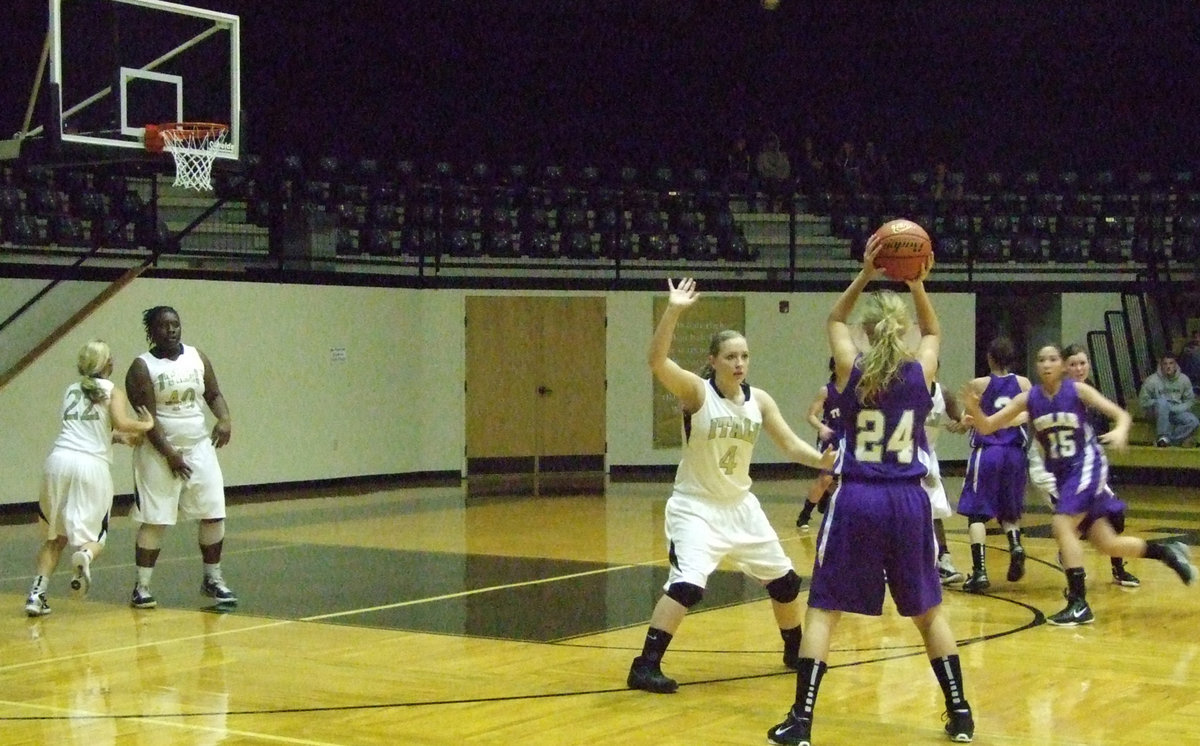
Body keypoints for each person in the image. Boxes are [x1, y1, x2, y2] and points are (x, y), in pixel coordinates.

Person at [767, 240, 975, 745]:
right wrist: (916, 280)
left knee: (824, 610)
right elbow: (934, 330)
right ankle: (961, 715)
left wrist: (864, 274)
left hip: (858, 497)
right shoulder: (919, 371)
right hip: (908, 500)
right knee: (929, 615)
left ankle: (802, 720)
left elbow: (834, 320)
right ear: (901, 331)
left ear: (867, 331)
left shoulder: (848, 367)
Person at [627, 278, 834, 695]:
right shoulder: (697, 393)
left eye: (744, 356)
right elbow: (655, 360)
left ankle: (793, 652)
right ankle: (644, 666)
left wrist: (823, 462)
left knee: (786, 582)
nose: (739, 363)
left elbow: (791, 443)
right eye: (731, 356)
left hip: (740, 506)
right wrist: (673, 310)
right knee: (686, 586)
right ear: (714, 361)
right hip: (696, 507)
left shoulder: (759, 400)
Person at [962, 343, 1196, 626]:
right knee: (1107, 544)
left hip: (1087, 464)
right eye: (1041, 359)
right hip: (1064, 475)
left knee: (1061, 524)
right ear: (1036, 366)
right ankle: (1168, 551)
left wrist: (1120, 430)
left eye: (1052, 359)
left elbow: (1121, 414)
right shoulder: (1029, 398)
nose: (1047, 364)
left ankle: (1078, 602)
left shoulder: (1077, 391)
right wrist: (974, 407)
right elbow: (987, 426)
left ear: (1062, 365)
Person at [24, 340, 154, 617]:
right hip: (90, 467)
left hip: (57, 462)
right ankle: (84, 555)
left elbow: (89, 429)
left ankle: (37, 594)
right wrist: (146, 424)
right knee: (96, 537)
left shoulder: (71, 390)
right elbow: (121, 421)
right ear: (106, 364)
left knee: (53, 538)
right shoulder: (111, 391)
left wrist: (116, 439)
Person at [126, 306, 236, 609]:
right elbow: (147, 418)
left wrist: (224, 419)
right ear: (152, 331)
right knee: (155, 518)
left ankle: (212, 578)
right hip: (158, 451)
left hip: (199, 447)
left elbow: (213, 394)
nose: (171, 330)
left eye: (175, 324)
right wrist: (170, 454)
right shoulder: (141, 367)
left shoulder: (196, 357)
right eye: (163, 326)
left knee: (214, 511)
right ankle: (142, 587)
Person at [1027, 344, 1140, 586]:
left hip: (1082, 465)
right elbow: (1022, 413)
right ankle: (1072, 560)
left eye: (1083, 363)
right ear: (1063, 368)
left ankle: (1111, 564)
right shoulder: (1051, 395)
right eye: (1073, 364)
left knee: (1111, 517)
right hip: (1051, 469)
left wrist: (1119, 430)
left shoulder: (1085, 392)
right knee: (1069, 522)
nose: (1079, 368)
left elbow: (1117, 416)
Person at [955, 337, 1031, 593]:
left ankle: (980, 572)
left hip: (987, 452)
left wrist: (964, 422)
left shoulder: (979, 384)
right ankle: (1016, 545)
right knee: (1009, 510)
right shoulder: (1023, 383)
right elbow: (1029, 413)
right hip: (1015, 453)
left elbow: (971, 418)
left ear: (989, 357)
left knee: (977, 513)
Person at [927, 369, 967, 585]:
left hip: (926, 456)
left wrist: (960, 425)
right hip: (900, 456)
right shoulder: (905, 389)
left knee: (935, 508)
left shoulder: (943, 393)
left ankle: (944, 560)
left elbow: (962, 424)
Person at [796, 358, 839, 531]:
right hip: (830, 438)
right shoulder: (826, 390)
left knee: (844, 480)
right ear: (835, 367)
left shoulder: (855, 391)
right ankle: (804, 515)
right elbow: (811, 415)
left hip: (847, 438)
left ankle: (825, 500)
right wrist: (822, 427)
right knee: (826, 477)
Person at [1137, 351, 1198, 447]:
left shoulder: (1184, 380)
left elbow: (1190, 401)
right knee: (1162, 402)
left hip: (1175, 411)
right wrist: (1158, 403)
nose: (1168, 366)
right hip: (1156, 412)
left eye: (1171, 363)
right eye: (1165, 364)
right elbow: (1143, 402)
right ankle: (1162, 435)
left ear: (1175, 365)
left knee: (1193, 421)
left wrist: (1176, 408)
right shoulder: (1151, 381)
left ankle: (1168, 440)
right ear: (1161, 366)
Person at [755, 131, 792, 212]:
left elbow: (787, 169)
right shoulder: (762, 157)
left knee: (790, 184)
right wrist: (773, 176)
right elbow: (761, 171)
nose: (772, 144)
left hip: (781, 181)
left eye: (773, 141)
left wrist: (781, 177)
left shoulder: (782, 156)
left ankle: (785, 207)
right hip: (767, 182)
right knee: (772, 183)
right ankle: (771, 206)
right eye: (770, 142)